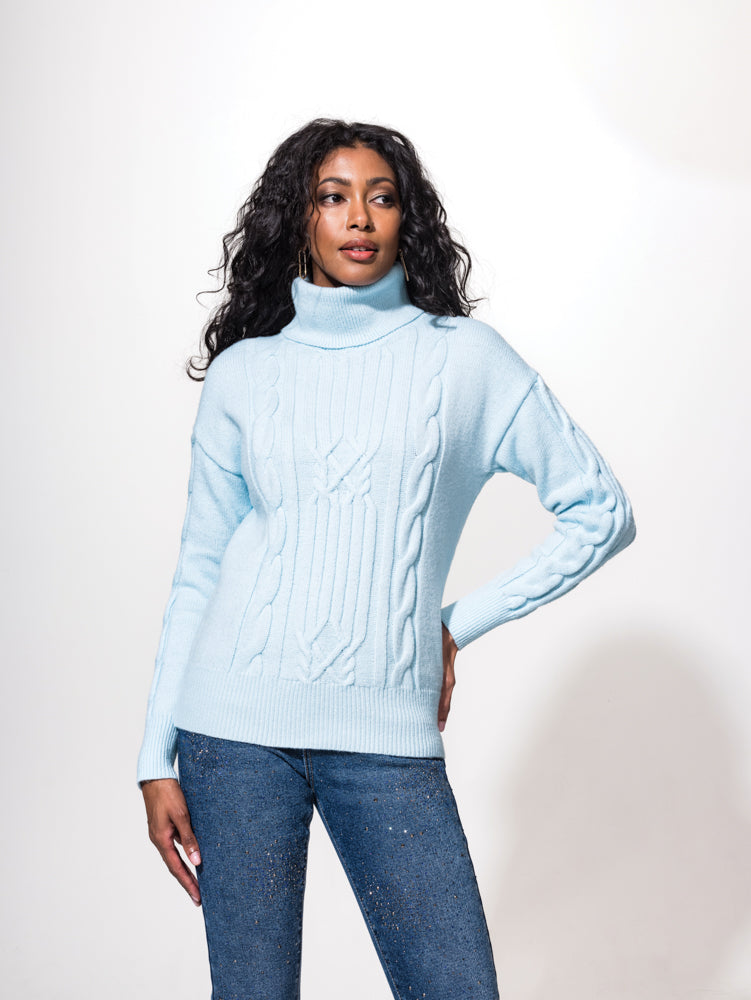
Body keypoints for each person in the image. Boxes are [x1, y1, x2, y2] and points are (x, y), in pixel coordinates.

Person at [137, 118, 635, 999]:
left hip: (384, 732)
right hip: (231, 732)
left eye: (381, 197)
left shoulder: (465, 361)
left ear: (408, 218)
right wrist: (154, 755)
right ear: (300, 218)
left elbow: (601, 510)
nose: (359, 218)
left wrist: (452, 625)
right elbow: (201, 567)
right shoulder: (245, 373)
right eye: (333, 197)